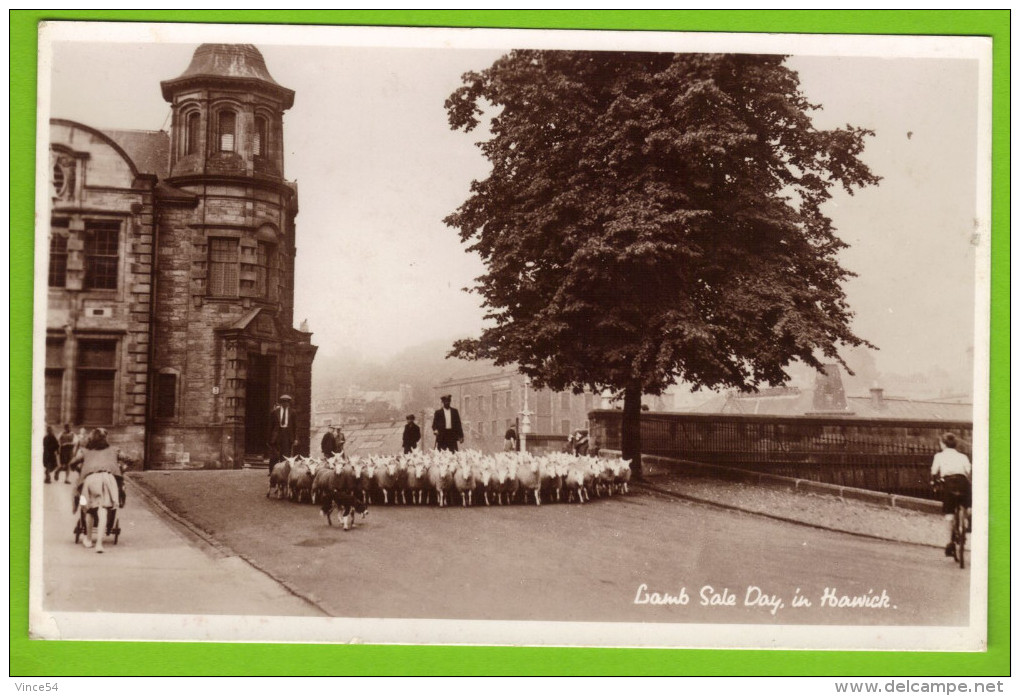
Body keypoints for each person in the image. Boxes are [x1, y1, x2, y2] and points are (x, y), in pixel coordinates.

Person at [68, 429, 130, 553]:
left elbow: (72, 463)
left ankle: (89, 539)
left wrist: (80, 470)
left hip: (91, 479)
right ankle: (99, 545)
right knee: (104, 509)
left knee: (90, 509)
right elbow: (131, 460)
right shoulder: (115, 450)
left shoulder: (84, 451)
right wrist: (122, 469)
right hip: (109, 478)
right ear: (105, 439)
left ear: (91, 439)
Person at [930, 432, 972, 557]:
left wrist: (933, 482)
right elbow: (968, 471)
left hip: (949, 484)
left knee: (949, 514)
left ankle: (950, 542)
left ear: (943, 444)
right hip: (962, 482)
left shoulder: (939, 456)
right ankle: (967, 521)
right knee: (968, 505)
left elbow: (934, 471)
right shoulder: (963, 456)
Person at [268, 394, 295, 474]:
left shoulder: (292, 412)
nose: (285, 404)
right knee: (274, 455)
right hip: (276, 435)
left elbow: (295, 426)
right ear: (281, 403)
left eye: (287, 402)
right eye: (283, 402)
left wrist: (296, 438)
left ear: (289, 403)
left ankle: (284, 472)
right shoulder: (274, 412)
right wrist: (269, 439)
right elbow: (270, 426)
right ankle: (272, 471)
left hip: (287, 435)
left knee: (285, 455)